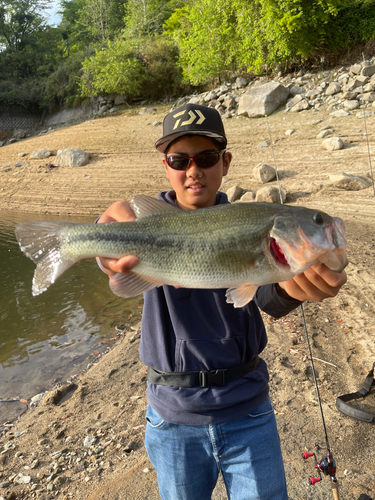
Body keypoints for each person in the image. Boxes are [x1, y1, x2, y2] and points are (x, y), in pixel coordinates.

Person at [96, 103, 347, 500]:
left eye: (207, 157)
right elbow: (112, 248)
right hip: (172, 413)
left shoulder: (251, 221)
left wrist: (290, 288)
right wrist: (101, 238)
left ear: (225, 163)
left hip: (247, 410)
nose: (193, 170)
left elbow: (266, 297)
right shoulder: (145, 223)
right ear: (166, 166)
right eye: (180, 159)